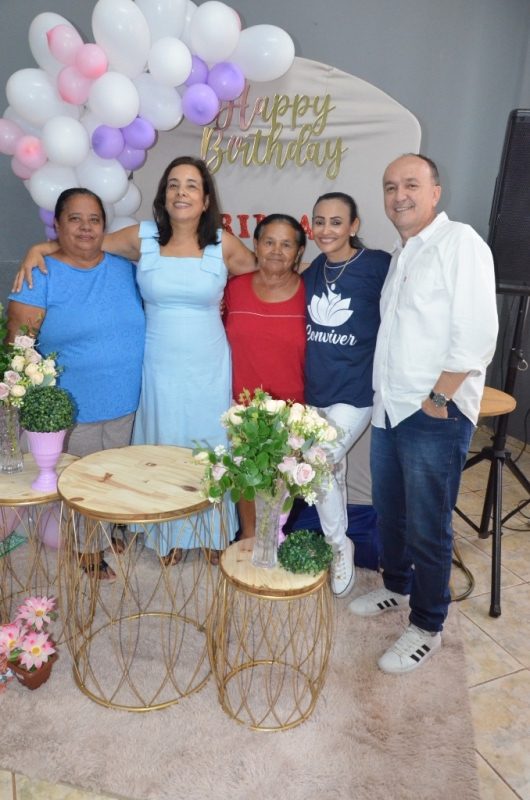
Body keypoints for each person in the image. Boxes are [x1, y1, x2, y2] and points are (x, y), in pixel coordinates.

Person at [15, 156, 257, 566]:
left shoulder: (224, 243)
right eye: (173, 184)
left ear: (205, 199)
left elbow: (267, 273)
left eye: (192, 185)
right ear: (163, 195)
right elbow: (83, 242)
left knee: (209, 444)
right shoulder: (142, 237)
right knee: (163, 444)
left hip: (208, 362)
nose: (181, 192)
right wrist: (38, 247)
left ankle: (212, 532)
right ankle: (167, 534)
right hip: (157, 360)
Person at [349, 154, 499, 674]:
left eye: (411, 184)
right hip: (392, 409)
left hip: (433, 412)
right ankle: (396, 585)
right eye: (390, 186)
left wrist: (438, 398)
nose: (399, 196)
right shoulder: (402, 253)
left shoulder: (460, 243)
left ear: (436, 192)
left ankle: (428, 625)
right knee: (390, 512)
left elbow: (476, 333)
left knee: (429, 527)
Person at [7, 187, 146, 580]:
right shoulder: (39, 274)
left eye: (94, 219)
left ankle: (103, 531)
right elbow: (18, 348)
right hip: (72, 405)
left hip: (125, 399)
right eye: (75, 219)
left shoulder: (123, 268)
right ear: (57, 224)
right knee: (81, 480)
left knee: (112, 474)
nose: (86, 227)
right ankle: (85, 548)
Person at [303, 192, 390, 597]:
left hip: (355, 394)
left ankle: (340, 547)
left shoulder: (377, 265)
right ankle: (333, 540)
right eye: (319, 221)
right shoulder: (313, 271)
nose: (326, 230)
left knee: (318, 464)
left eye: (336, 222)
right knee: (330, 473)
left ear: (353, 226)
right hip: (315, 391)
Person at [224, 213, 307, 539]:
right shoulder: (233, 289)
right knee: (246, 480)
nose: (276, 250)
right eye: (269, 242)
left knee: (280, 492)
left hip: (293, 411)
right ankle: (247, 540)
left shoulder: (310, 293)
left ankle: (272, 543)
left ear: (299, 252)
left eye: (286, 244)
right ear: (256, 245)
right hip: (241, 407)